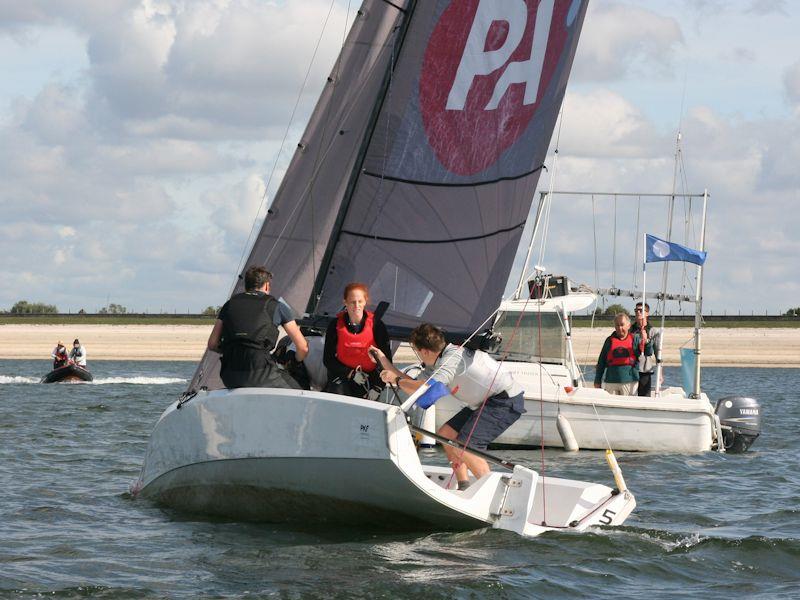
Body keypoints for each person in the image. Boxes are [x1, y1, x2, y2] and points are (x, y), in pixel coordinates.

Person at [371, 323, 525, 491]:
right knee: (446, 435)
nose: (419, 357)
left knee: (465, 446)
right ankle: (464, 486)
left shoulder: (451, 358)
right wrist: (383, 360)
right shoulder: (437, 362)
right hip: (484, 402)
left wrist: (396, 380)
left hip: (504, 400)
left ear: (424, 351)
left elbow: (427, 387)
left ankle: (493, 494)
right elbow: (413, 383)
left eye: (416, 351)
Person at [207, 266, 308, 389]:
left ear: (246, 286)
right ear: (266, 285)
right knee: (300, 388)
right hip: (261, 374)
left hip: (230, 376)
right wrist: (295, 362)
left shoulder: (229, 305)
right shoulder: (277, 306)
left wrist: (233, 349)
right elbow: (303, 347)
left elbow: (212, 344)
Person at [323, 282, 391, 399]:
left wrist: (378, 387)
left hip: (369, 379)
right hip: (343, 376)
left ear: (365, 301)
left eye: (360, 301)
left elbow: (387, 360)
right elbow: (328, 359)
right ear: (345, 302)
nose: (356, 306)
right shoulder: (335, 325)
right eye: (352, 302)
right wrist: (351, 373)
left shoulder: (377, 325)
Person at [593, 313, 645, 396]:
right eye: (617, 325)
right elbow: (601, 362)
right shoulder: (609, 340)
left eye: (622, 325)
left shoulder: (635, 338)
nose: (620, 328)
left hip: (630, 381)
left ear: (628, 325)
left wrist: (646, 340)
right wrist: (597, 380)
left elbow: (648, 351)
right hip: (611, 381)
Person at [630, 302, 659, 396]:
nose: (638, 312)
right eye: (636, 310)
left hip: (645, 369)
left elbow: (658, 353)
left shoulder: (653, 331)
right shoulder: (629, 330)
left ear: (647, 313)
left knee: (644, 397)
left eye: (641, 310)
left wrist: (660, 373)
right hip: (631, 369)